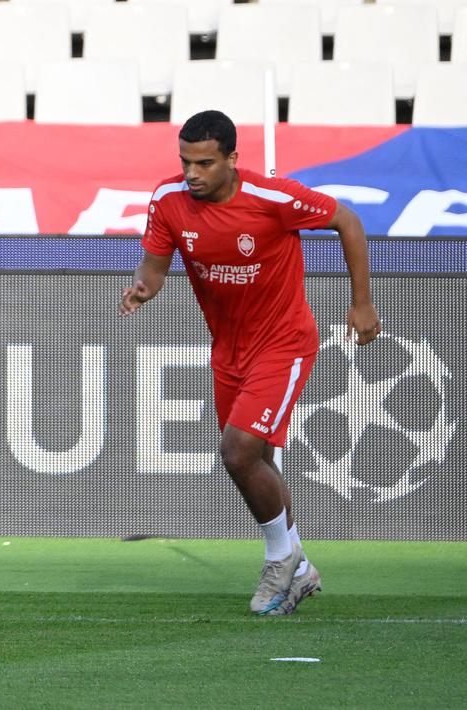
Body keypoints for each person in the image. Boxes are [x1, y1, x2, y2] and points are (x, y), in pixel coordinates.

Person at [120, 110, 381, 616]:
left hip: (283, 344)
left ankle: (280, 560)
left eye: (204, 163)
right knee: (255, 462)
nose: (192, 173)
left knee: (238, 453)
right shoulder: (167, 200)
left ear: (232, 159)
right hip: (228, 350)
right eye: (185, 162)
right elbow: (153, 266)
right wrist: (143, 290)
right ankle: (299, 568)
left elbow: (348, 221)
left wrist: (362, 302)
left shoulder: (272, 198)